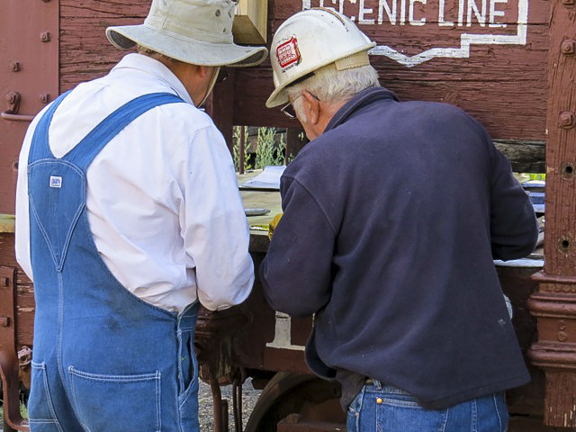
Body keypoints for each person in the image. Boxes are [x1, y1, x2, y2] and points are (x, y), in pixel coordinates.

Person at [260, 7, 538, 432]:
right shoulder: (459, 126)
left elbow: (292, 295)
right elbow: (518, 236)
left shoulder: (319, 164)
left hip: (394, 400)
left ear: (310, 106)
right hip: (485, 396)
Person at [15, 0, 266, 430]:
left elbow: (28, 256)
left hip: (48, 365)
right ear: (205, 67)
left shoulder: (49, 116)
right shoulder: (187, 128)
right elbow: (223, 285)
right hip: (135, 368)